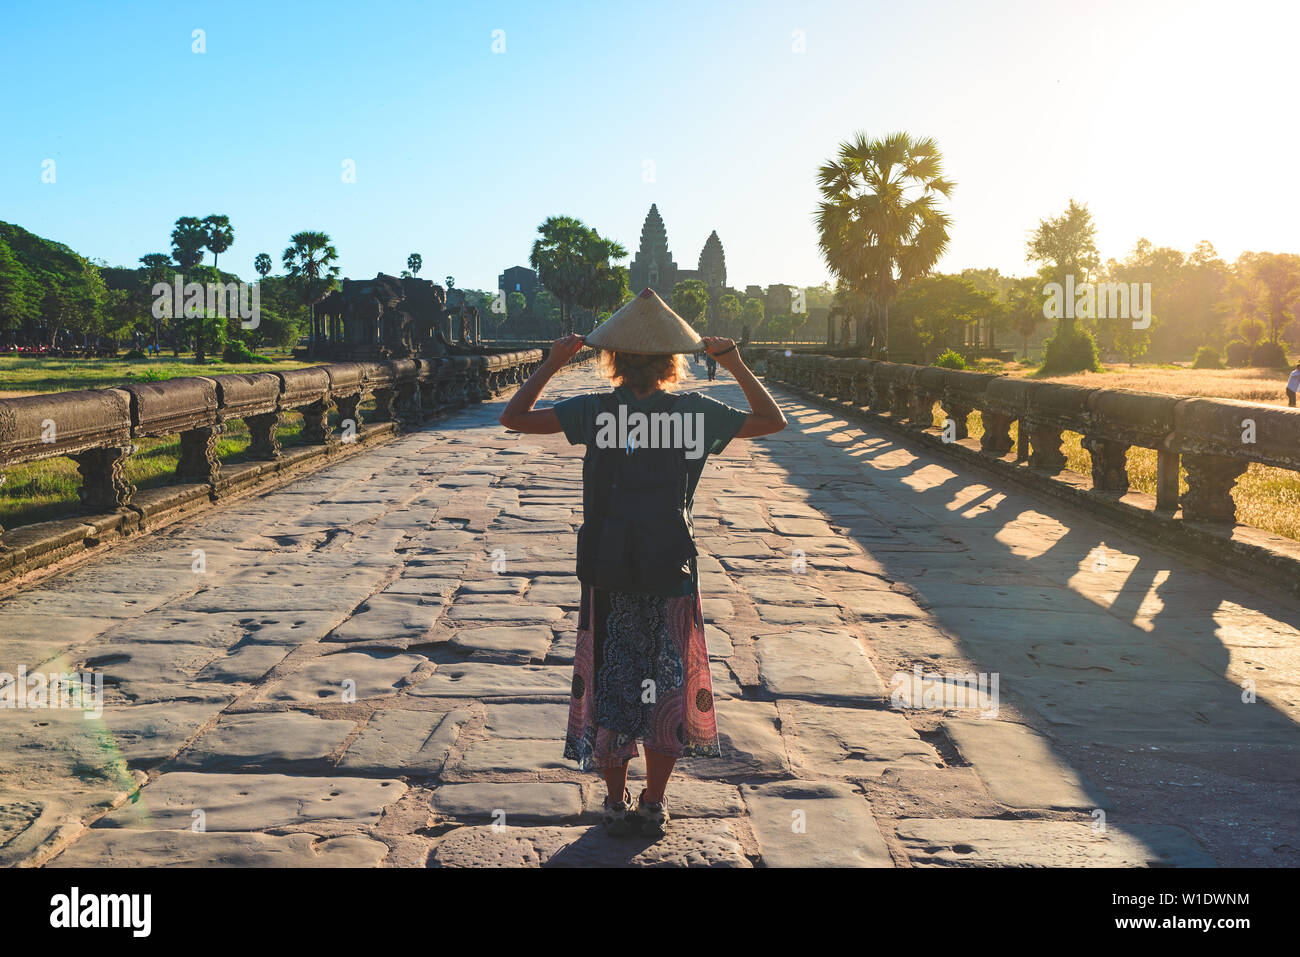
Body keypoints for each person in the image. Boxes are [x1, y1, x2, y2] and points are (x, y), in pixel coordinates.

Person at [498, 288, 786, 838]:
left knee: (614, 679)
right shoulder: (694, 413)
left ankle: (612, 799)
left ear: (613, 360)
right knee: (668, 681)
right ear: (672, 362)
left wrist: (551, 363)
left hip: (608, 570)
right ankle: (653, 802)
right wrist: (735, 363)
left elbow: (514, 418)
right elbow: (770, 422)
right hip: (671, 567)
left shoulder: (594, 410)